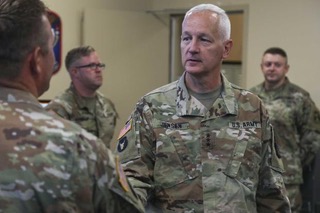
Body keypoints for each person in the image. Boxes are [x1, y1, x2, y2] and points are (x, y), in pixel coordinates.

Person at [114, 3, 291, 212]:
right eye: (186, 38)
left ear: (226, 48)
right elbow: (130, 184)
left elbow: (271, 191)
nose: (192, 48)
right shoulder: (151, 107)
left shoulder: (251, 108)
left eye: (204, 39)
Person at [0, 0, 144, 212]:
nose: (98, 70)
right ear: (37, 60)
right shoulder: (77, 147)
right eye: (51, 48)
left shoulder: (104, 108)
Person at [250, 47, 320, 212]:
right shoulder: (251, 97)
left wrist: (292, 162)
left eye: (277, 64)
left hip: (287, 178)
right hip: (255, 176)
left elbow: (313, 138)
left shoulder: (300, 97)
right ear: (262, 67)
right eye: (268, 64)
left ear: (286, 68)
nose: (272, 68)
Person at [45, 46, 118, 148]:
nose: (98, 70)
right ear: (75, 72)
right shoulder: (59, 109)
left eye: (100, 65)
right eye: (92, 66)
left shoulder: (107, 105)